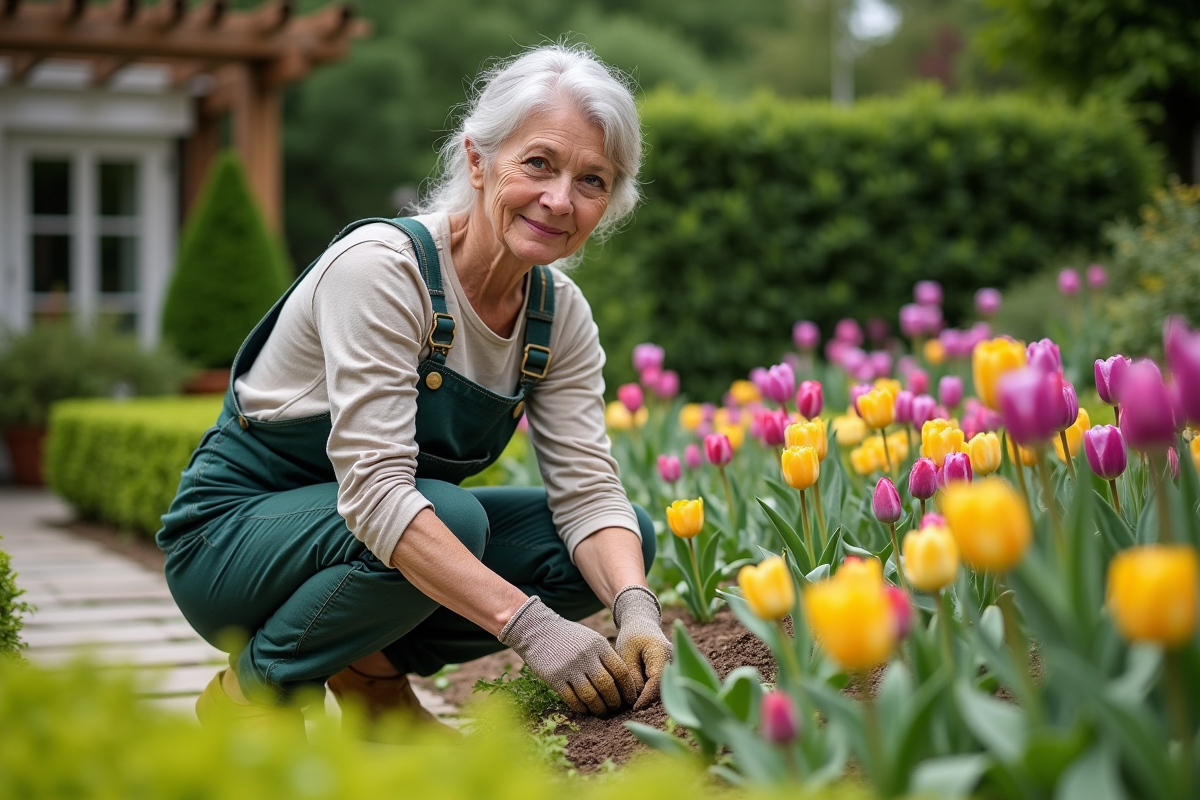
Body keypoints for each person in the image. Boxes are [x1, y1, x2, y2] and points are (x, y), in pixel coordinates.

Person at [156, 43, 672, 733]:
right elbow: (374, 493)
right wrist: (533, 629)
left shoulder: (559, 315)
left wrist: (636, 609)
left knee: (619, 539)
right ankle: (256, 691)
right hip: (229, 548)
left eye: (592, 180)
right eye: (540, 164)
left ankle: (369, 675)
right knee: (452, 517)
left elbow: (589, 490)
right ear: (478, 160)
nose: (559, 200)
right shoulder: (382, 270)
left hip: (364, 543)